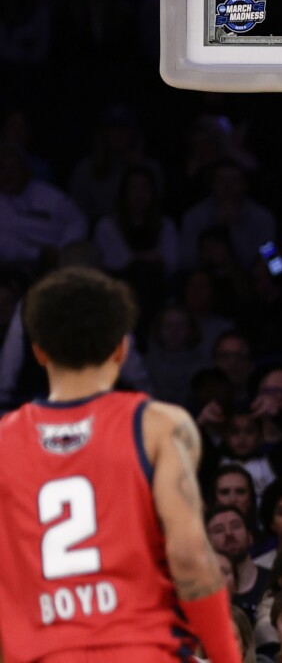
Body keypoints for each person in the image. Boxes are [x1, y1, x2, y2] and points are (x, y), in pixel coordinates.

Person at [0, 267, 239, 662]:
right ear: (121, 349)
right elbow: (191, 556)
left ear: (39, 351)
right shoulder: (162, 426)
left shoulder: (5, 442)